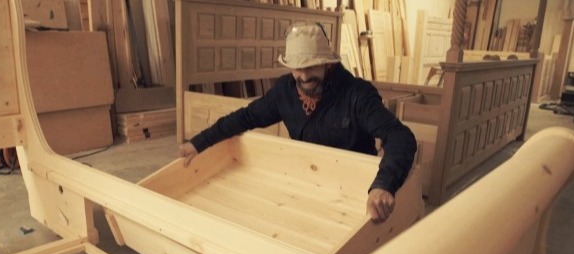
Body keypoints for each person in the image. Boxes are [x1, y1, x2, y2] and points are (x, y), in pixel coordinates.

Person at [178, 22, 417, 223]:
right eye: (297, 68)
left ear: (327, 62)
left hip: (354, 195)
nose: (303, 77)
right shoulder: (285, 90)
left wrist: (383, 185)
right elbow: (245, 117)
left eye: (311, 66)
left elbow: (400, 136)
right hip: (306, 186)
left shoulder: (357, 94)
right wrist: (199, 143)